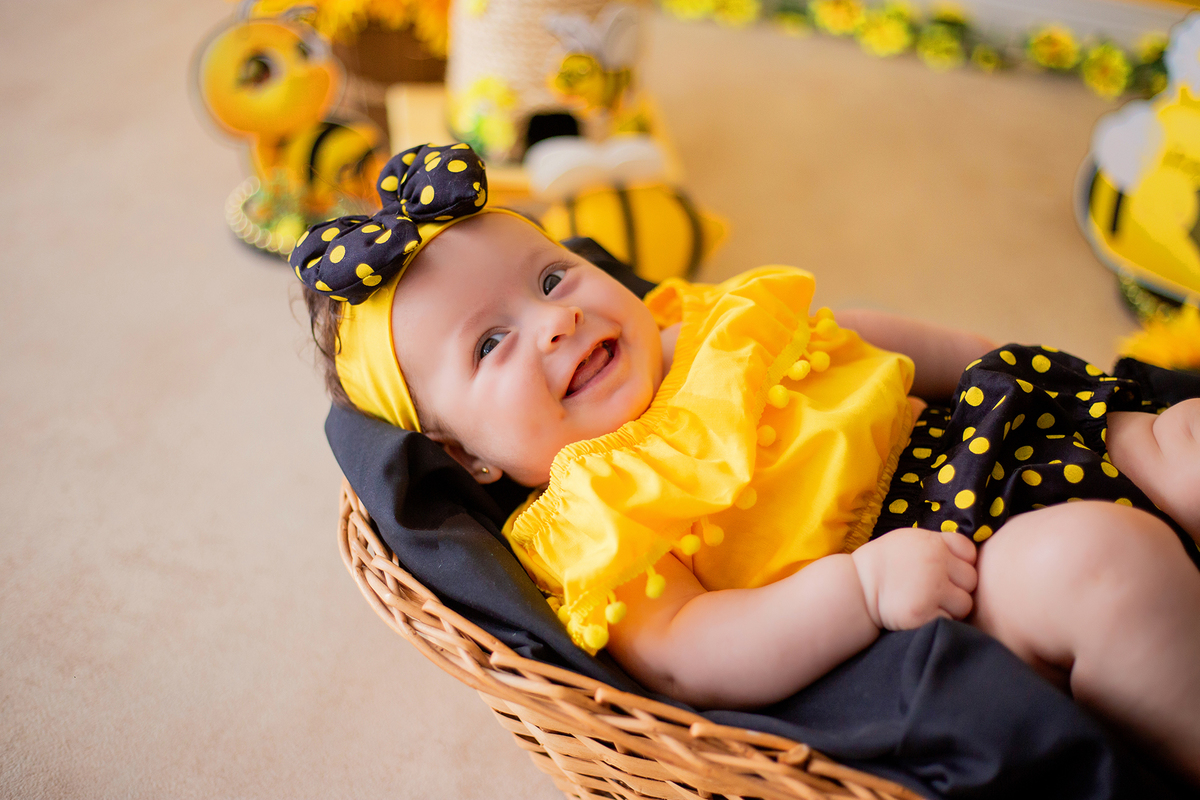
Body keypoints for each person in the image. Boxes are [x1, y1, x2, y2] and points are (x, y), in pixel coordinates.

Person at [293, 143, 1200, 784]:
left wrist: (1010, 368)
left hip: (997, 435)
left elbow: (869, 334)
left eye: (550, 277)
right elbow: (693, 658)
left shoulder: (709, 325)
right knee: (1103, 566)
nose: (555, 321)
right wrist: (861, 590)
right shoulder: (590, 512)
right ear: (468, 457)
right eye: (491, 343)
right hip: (945, 561)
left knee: (1181, 437)